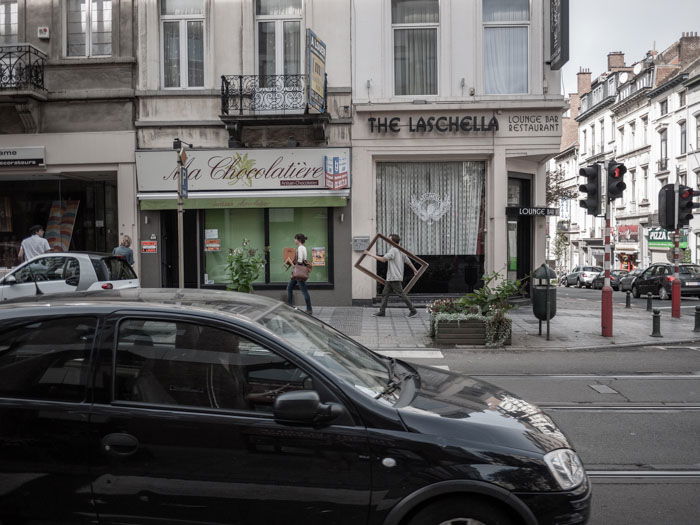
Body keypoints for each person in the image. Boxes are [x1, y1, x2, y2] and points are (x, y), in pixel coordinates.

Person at [364, 233, 418, 317]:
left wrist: (369, 254)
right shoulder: (400, 249)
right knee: (385, 293)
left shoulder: (393, 250)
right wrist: (414, 270)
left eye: (389, 239)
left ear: (393, 241)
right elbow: (407, 261)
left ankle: (413, 310)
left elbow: (383, 259)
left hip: (394, 276)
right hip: (391, 277)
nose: (387, 241)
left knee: (401, 294)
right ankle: (382, 311)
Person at [286, 233, 313, 314]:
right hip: (298, 272)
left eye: (295, 239)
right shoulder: (303, 247)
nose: (294, 240)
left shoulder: (300, 248)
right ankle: (290, 306)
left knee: (304, 291)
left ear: (298, 240)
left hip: (298, 273)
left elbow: (300, 261)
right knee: (289, 288)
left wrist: (293, 264)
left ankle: (309, 309)